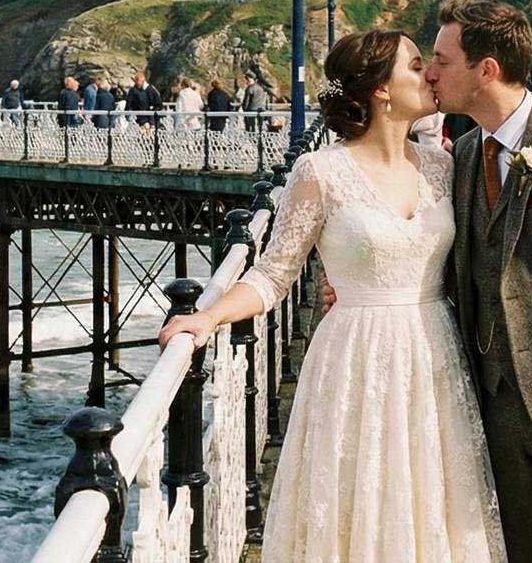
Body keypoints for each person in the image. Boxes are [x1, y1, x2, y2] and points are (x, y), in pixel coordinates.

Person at [321, 0, 532, 560]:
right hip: (493, 407)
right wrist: (358, 283)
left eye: (442, 60)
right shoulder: (463, 156)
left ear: (487, 70)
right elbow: (454, 263)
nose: (430, 73)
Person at [159, 29, 504, 561]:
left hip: (433, 354)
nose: (431, 74)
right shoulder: (320, 172)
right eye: (417, 66)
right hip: (355, 359)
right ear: (381, 90)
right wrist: (207, 317)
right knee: (356, 499)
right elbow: (273, 275)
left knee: (429, 500)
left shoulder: (445, 165)